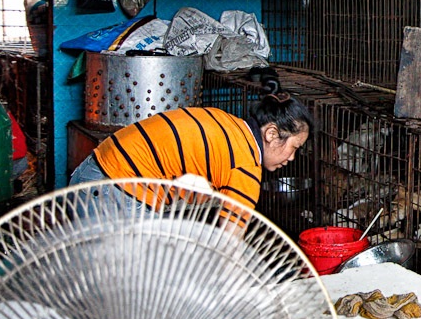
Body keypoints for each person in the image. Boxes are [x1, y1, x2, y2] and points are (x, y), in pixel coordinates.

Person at [69, 85, 313, 230]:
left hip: (92, 173)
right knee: (120, 291)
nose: (292, 158)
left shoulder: (227, 122)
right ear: (271, 133)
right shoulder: (246, 166)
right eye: (294, 146)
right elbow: (229, 243)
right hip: (114, 193)